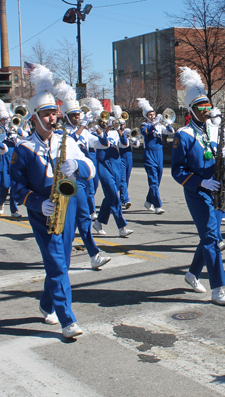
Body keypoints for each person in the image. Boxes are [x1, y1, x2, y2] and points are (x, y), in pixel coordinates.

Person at [10, 64, 96, 338]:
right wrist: (36, 203)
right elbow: (15, 187)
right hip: (43, 212)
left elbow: (90, 169)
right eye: (46, 114)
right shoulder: (23, 149)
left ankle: (46, 304)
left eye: (54, 113)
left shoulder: (67, 141)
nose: (52, 118)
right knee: (58, 264)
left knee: (62, 262)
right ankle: (67, 320)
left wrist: (77, 166)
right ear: (34, 118)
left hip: (66, 208)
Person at [171, 66, 225, 306]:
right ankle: (218, 289)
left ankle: (191, 274)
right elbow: (177, 171)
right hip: (198, 192)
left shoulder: (216, 130)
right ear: (191, 110)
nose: (205, 111)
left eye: (207, 106)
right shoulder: (183, 135)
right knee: (211, 239)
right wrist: (200, 182)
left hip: (218, 189)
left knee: (210, 236)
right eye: (200, 107)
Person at [54, 83, 111, 269]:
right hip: (69, 182)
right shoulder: (59, 133)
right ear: (66, 117)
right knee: (69, 224)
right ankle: (64, 258)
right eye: (74, 115)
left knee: (84, 218)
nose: (78, 118)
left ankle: (93, 255)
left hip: (85, 179)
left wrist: (104, 133)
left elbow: (102, 145)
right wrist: (82, 129)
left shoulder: (85, 131)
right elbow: (71, 142)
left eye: (79, 115)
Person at [92, 109, 134, 238]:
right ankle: (122, 227)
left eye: (107, 120)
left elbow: (125, 144)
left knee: (111, 195)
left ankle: (98, 222)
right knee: (114, 197)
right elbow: (103, 143)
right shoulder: (93, 133)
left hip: (116, 163)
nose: (106, 123)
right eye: (103, 121)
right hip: (104, 164)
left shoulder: (115, 133)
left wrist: (120, 130)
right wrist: (101, 131)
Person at [137, 98, 174, 214]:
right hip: (149, 154)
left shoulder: (159, 126)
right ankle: (158, 206)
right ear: (146, 116)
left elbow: (171, 131)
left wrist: (167, 123)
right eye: (150, 115)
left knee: (157, 181)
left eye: (153, 114)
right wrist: (155, 123)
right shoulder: (144, 125)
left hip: (159, 153)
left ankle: (148, 201)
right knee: (153, 181)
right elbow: (145, 132)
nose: (152, 116)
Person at [0, 100, 25, 218]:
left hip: (14, 157)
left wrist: (16, 131)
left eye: (5, 118)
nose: (5, 121)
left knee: (14, 184)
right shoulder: (1, 130)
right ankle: (0, 203)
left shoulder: (14, 126)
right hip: (4, 157)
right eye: (3, 119)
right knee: (5, 185)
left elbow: (25, 136)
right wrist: (6, 135)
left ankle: (14, 210)